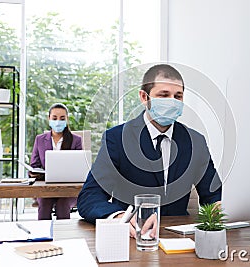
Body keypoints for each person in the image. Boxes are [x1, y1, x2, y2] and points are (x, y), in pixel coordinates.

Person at [77, 64, 221, 236]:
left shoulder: (196, 141)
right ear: (144, 97)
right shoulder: (117, 139)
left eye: (178, 96)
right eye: (164, 95)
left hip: (179, 239)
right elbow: (89, 197)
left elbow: (212, 195)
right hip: (133, 237)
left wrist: (219, 209)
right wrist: (119, 217)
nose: (172, 101)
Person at [30, 103, 82, 220]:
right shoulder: (39, 140)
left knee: (62, 205)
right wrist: (37, 173)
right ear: (49, 119)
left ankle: (63, 237)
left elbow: (80, 166)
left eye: (62, 118)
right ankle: (43, 236)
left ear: (67, 119)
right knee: (44, 205)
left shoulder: (76, 140)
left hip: (68, 189)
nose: (58, 121)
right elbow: (34, 165)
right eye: (54, 118)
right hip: (46, 187)